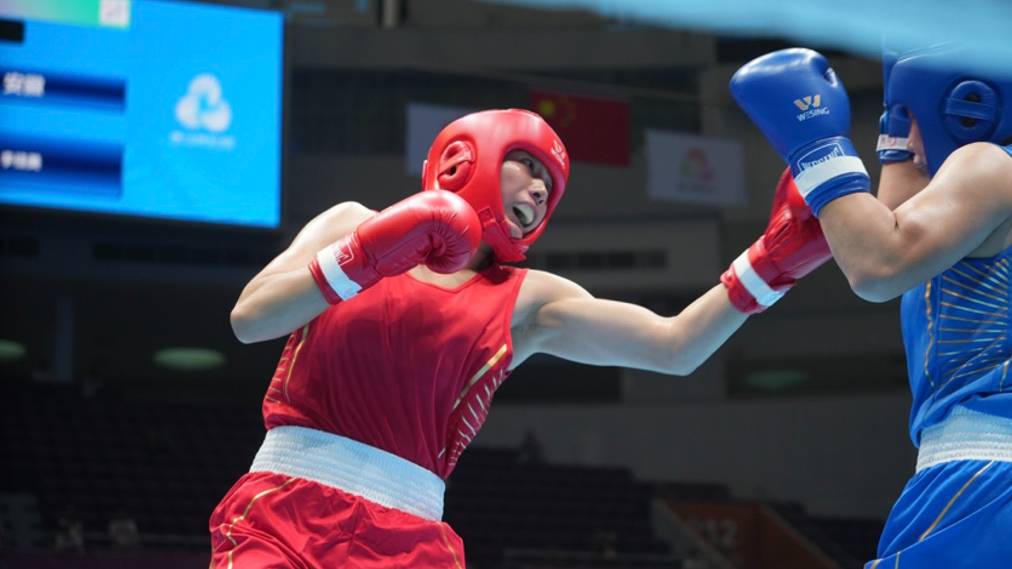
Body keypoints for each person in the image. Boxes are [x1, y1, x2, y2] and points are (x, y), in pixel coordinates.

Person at [209, 108, 831, 568]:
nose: (538, 189)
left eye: (548, 188)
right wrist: (368, 254)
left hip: (408, 538)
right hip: (283, 510)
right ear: (466, 156)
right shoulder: (351, 223)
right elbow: (250, 320)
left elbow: (673, 347)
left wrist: (768, 266)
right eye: (527, 167)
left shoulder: (528, 298)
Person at [729, 44, 1012, 568]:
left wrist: (816, 146)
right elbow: (893, 218)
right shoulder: (975, 201)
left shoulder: (991, 164)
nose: (903, 138)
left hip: (987, 481)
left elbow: (877, 266)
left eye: (913, 118)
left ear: (971, 106)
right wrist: (901, 115)